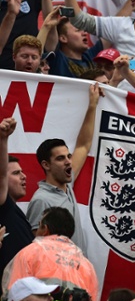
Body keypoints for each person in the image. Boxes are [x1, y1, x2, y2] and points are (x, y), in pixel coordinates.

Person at [26, 84, 103, 255]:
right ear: (46, 165)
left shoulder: (67, 183)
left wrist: (92, 105)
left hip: (78, 273)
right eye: (60, 158)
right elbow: (37, 249)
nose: (69, 161)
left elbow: (83, 145)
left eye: (68, 156)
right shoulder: (41, 200)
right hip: (60, 278)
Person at [4, 207, 99, 301]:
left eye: (39, 226)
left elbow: (12, 295)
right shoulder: (87, 266)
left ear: (45, 229)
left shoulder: (29, 253)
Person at [0, 118, 33, 278]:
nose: (24, 176)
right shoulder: (3, 206)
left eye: (22, 171)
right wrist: (3, 139)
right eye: (15, 173)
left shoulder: (15, 212)